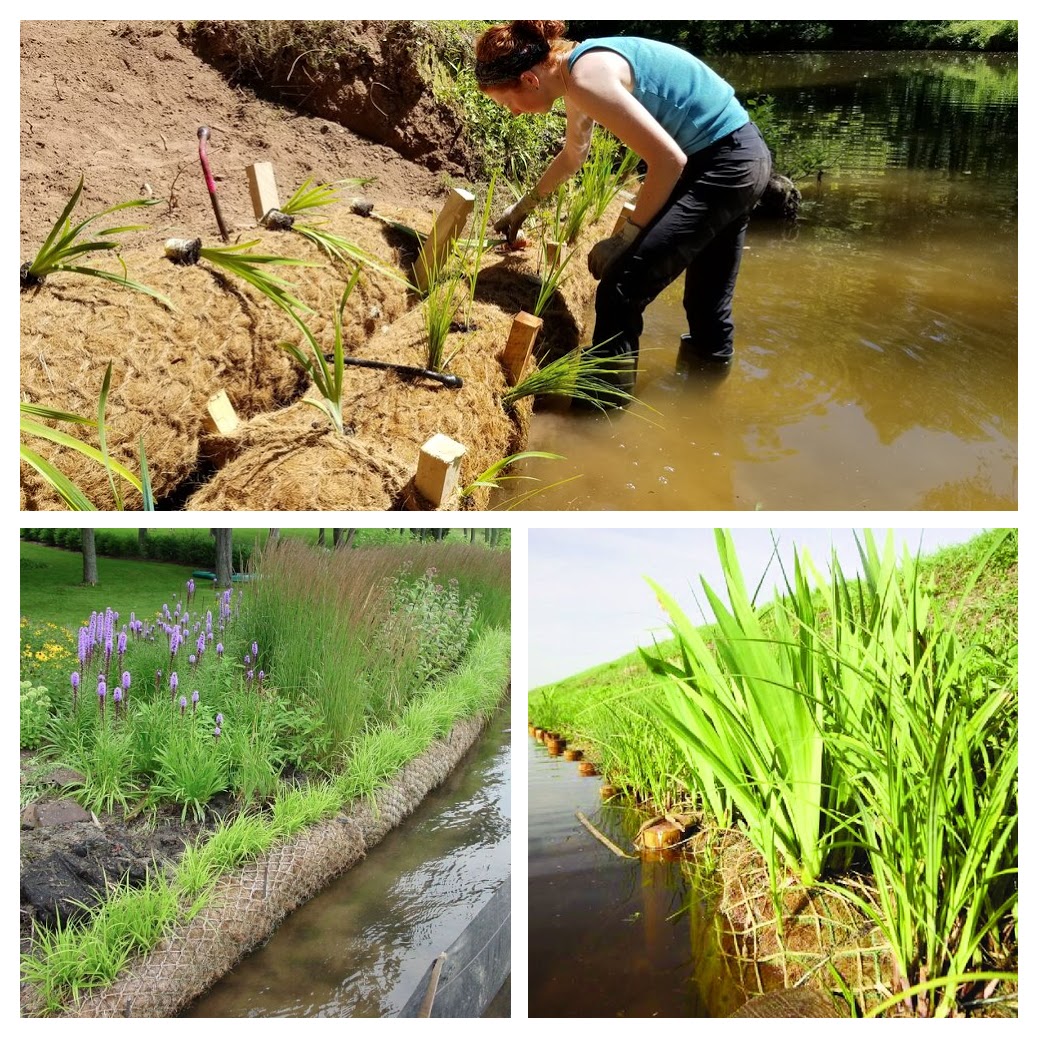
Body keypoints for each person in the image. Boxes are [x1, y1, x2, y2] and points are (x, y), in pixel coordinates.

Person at [474, 21, 771, 394]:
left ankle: (601, 412)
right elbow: (572, 157)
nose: (514, 112)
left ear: (529, 81)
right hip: (741, 156)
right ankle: (703, 399)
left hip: (722, 165)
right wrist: (522, 208)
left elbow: (667, 162)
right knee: (706, 303)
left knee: (621, 288)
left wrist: (624, 239)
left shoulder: (585, 78)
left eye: (507, 102)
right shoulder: (573, 74)